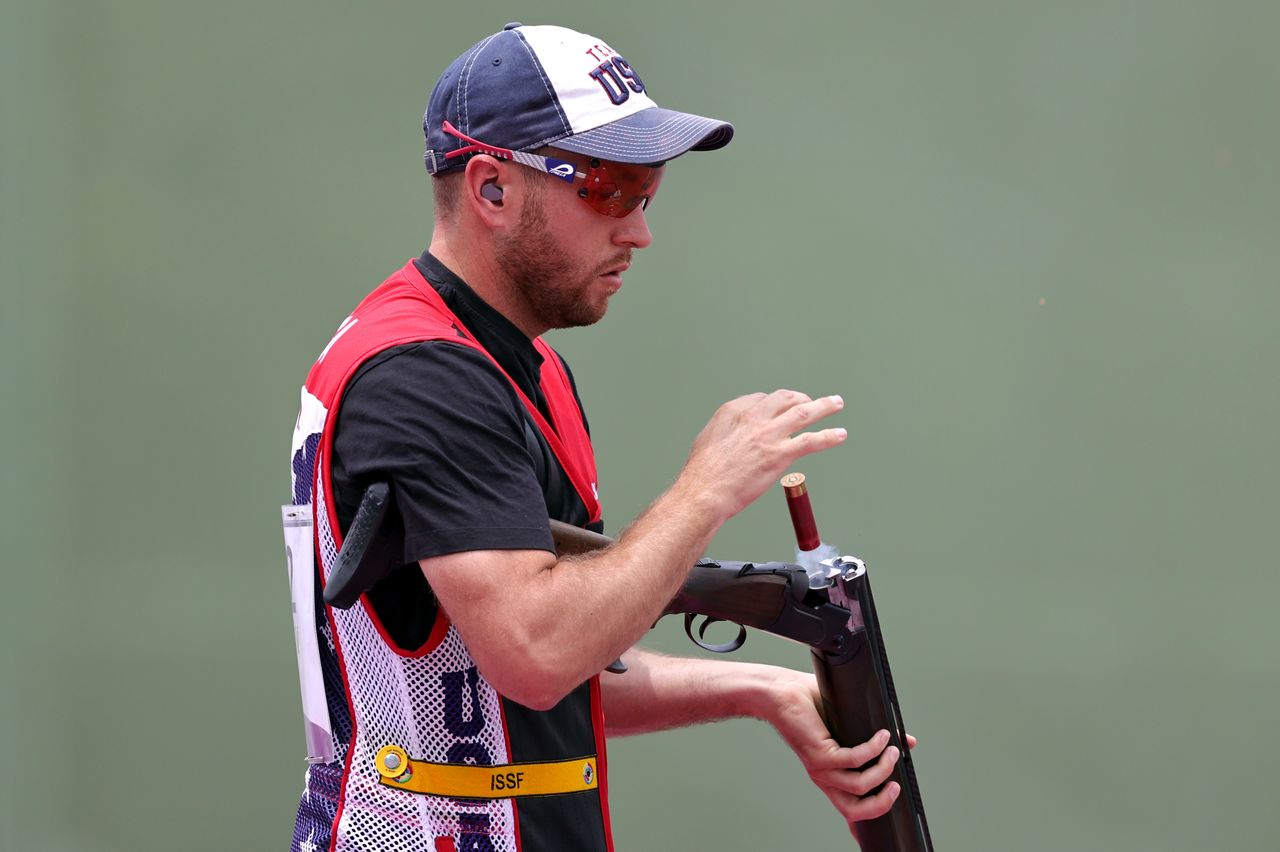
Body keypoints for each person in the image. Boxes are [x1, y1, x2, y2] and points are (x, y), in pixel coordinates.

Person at [286, 22, 907, 852]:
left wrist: (764, 688)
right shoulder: (425, 375)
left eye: (647, 191)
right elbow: (536, 653)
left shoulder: (518, 365)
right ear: (491, 188)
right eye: (609, 188)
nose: (639, 229)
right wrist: (707, 487)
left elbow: (556, 664)